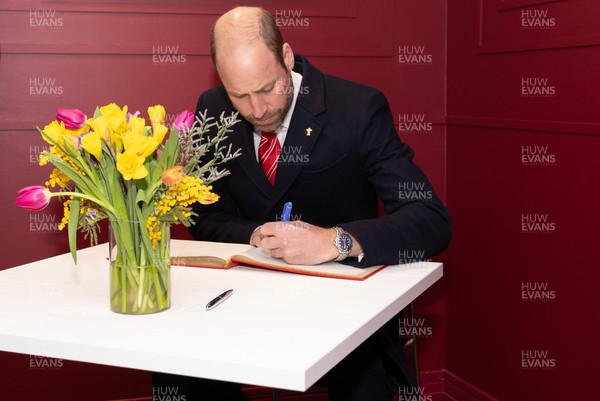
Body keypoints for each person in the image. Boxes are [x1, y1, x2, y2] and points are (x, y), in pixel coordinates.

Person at [157, 6, 451, 401]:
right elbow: (207, 216)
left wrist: (337, 241)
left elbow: (431, 220)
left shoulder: (358, 108)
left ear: (287, 57)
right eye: (239, 95)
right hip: (247, 299)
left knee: (366, 385)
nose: (256, 110)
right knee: (173, 367)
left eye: (266, 89)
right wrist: (255, 233)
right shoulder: (213, 106)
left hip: (344, 308)